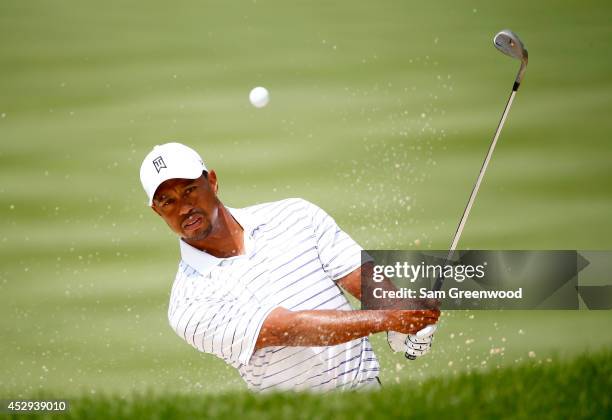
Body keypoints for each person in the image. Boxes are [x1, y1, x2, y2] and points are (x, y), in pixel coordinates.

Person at [139, 142, 440, 392]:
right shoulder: (188, 305)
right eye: (167, 201)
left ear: (213, 181)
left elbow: (363, 278)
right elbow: (288, 328)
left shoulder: (296, 215)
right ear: (156, 211)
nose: (183, 207)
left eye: (190, 190)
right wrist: (388, 319)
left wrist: (406, 314)